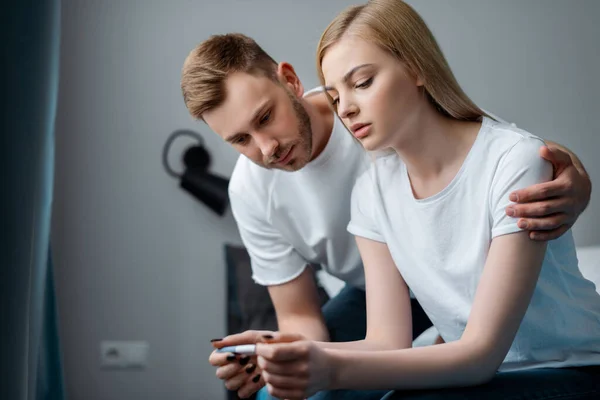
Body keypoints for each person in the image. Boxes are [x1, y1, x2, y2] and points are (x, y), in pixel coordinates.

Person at [180, 29, 593, 398]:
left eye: (266, 117)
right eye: (240, 140)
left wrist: (574, 179)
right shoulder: (254, 192)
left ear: (289, 80)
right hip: (377, 293)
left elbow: (482, 146)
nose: (265, 147)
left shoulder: (371, 113)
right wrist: (278, 355)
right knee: (283, 396)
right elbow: (301, 317)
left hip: (466, 277)